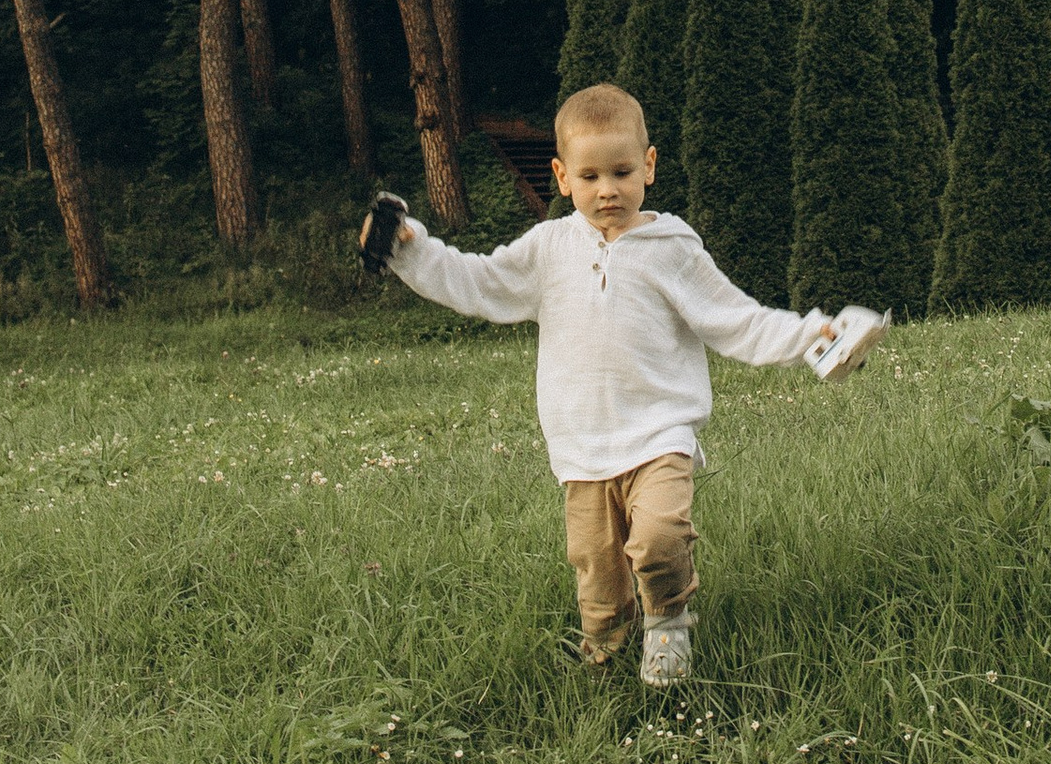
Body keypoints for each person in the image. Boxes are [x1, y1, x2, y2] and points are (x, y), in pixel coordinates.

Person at [357, 82, 876, 688]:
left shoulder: (671, 248)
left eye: (622, 172)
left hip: (659, 435)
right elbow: (480, 281)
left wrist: (812, 335)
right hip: (582, 447)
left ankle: (669, 622)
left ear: (649, 166)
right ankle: (603, 655)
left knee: (659, 539)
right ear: (562, 177)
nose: (607, 189)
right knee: (597, 576)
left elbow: (736, 318)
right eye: (590, 176)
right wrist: (410, 253)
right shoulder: (549, 248)